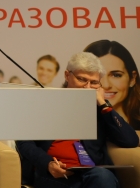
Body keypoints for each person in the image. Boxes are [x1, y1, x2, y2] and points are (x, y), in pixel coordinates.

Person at [17, 53, 139, 188]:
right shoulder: (45, 102)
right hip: (54, 173)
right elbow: (24, 142)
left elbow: (131, 140)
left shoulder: (100, 109)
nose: (87, 87)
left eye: (94, 82)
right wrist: (48, 164)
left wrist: (103, 104)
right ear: (67, 75)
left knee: (103, 177)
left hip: (92, 172)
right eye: (82, 79)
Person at [84, 40, 140, 129]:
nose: (106, 85)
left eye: (116, 75)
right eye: (98, 75)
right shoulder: (72, 122)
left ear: (132, 79)